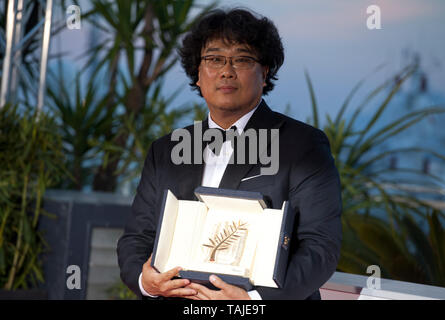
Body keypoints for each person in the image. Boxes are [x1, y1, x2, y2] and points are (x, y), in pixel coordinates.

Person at [117, 8, 342, 300]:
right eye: (213, 59)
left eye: (242, 59)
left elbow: (320, 247)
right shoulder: (167, 150)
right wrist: (147, 282)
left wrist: (252, 301)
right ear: (197, 74)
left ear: (265, 72)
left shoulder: (304, 146)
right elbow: (137, 237)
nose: (226, 70)